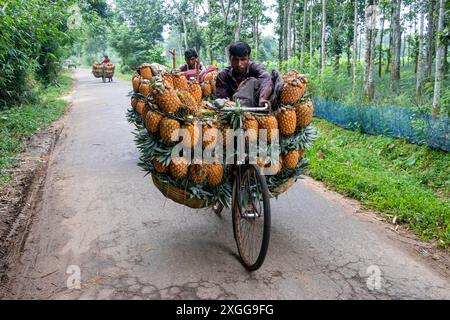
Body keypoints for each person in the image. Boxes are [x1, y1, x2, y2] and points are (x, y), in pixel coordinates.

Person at [216, 41, 273, 109]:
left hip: (255, 107)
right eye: (235, 59)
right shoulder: (223, 75)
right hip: (232, 110)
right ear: (230, 58)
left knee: (252, 81)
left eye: (243, 59)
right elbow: (222, 101)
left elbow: (266, 79)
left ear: (248, 58)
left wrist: (263, 98)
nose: (239, 64)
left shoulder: (255, 68)